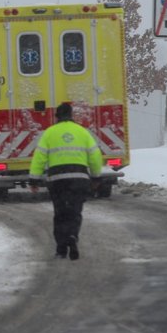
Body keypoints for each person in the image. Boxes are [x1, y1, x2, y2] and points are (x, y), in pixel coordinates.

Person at [28, 102, 103, 260]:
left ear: (57, 116)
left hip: (57, 179)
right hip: (79, 178)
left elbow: (39, 157)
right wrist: (96, 177)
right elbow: (95, 156)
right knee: (75, 212)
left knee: (60, 213)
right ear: (71, 115)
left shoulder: (49, 133)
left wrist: (34, 179)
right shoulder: (82, 132)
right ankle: (73, 236)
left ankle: (61, 249)